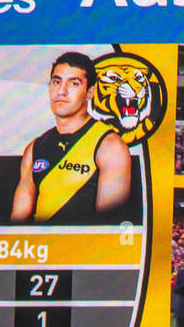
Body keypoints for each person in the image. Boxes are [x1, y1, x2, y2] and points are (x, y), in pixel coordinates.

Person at [10, 52, 132, 222]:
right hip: (40, 247)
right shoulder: (35, 148)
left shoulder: (110, 147)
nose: (61, 91)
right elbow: (17, 221)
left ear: (90, 93)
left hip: (83, 246)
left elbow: (108, 229)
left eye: (74, 83)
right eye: (56, 82)